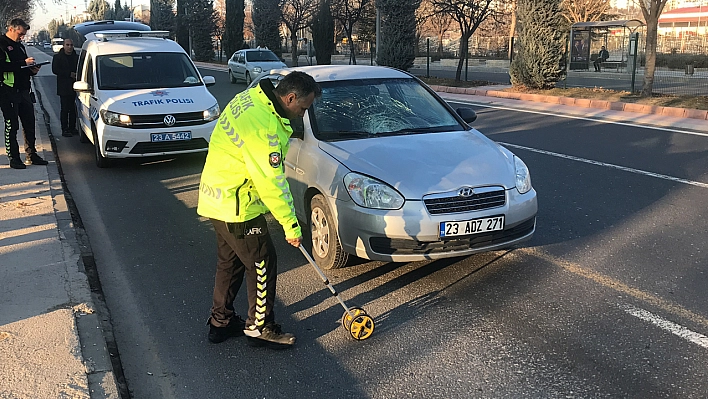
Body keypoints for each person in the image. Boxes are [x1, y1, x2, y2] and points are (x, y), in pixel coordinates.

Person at [197, 71, 321, 349]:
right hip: (238, 205)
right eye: (302, 108)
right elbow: (271, 182)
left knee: (229, 263)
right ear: (290, 98)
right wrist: (291, 225)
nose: (303, 115)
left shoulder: (253, 98)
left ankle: (221, 322)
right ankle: (260, 326)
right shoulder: (263, 127)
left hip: (218, 198)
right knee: (262, 261)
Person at [1, 18, 48, 169]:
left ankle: (31, 154)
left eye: (24, 34)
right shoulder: (1, 44)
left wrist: (31, 70)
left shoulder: (20, 46)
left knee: (29, 124)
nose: (22, 37)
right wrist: (23, 64)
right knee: (12, 125)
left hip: (24, 90)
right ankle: (14, 158)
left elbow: (22, 68)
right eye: (20, 34)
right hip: (8, 91)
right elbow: (2, 66)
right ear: (11, 29)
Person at [52, 38, 79, 137]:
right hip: (64, 87)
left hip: (75, 86)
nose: (70, 47)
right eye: (67, 45)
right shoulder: (58, 57)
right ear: (64, 46)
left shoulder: (76, 57)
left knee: (73, 109)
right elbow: (55, 70)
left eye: (71, 45)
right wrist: (69, 74)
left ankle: (72, 127)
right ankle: (65, 129)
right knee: (65, 109)